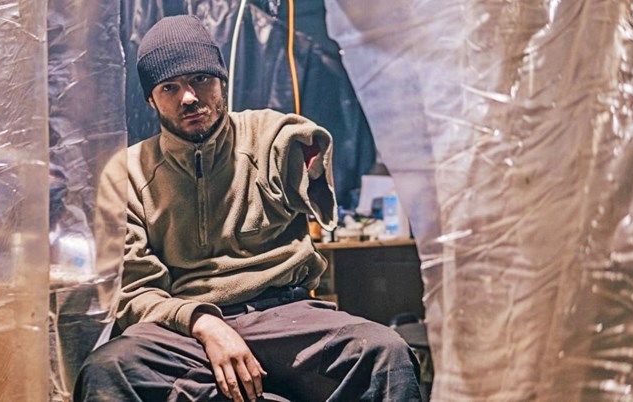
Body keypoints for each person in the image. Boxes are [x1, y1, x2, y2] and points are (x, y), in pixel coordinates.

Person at [75, 15, 421, 402]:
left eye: (200, 79)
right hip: (185, 334)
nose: (188, 97)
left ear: (221, 81)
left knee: (385, 355)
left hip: (286, 321)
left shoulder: (265, 135)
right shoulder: (128, 173)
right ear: (150, 100)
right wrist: (203, 324)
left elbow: (297, 141)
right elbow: (134, 291)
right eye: (170, 87)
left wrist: (308, 163)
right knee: (108, 369)